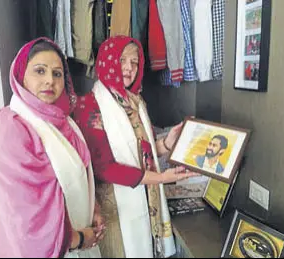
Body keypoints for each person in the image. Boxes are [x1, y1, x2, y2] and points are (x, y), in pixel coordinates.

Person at [0, 37, 105, 258]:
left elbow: (77, 175)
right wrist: (78, 239)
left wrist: (94, 207)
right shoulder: (7, 129)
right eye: (39, 71)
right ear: (21, 75)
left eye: (57, 74)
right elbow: (21, 218)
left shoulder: (64, 122)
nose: (49, 81)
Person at [73, 35, 199, 258]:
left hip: (146, 200)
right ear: (107, 61)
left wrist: (166, 143)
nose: (129, 68)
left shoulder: (136, 102)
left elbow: (144, 152)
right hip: (115, 209)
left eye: (134, 62)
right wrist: (161, 178)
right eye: (122, 60)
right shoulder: (90, 106)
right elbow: (105, 168)